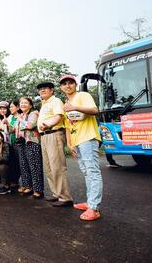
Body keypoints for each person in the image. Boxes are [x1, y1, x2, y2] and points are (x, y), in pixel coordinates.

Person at [60, 74, 103, 221]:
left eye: (70, 83)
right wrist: (69, 143)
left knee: (92, 171)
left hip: (88, 138)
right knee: (86, 172)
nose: (67, 85)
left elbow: (94, 110)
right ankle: (90, 202)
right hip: (77, 141)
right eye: (64, 84)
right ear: (61, 87)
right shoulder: (65, 103)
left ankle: (94, 208)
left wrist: (75, 106)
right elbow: (67, 125)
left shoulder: (83, 95)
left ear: (75, 84)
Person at [37, 81, 73, 207]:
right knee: (48, 167)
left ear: (52, 90)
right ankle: (56, 193)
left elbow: (59, 116)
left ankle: (65, 197)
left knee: (57, 166)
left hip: (54, 133)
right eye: (40, 89)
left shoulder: (55, 101)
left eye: (45, 88)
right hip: (44, 136)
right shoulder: (44, 103)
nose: (42, 90)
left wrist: (49, 124)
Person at [15, 97, 44, 199]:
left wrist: (20, 120)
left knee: (34, 165)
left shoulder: (33, 113)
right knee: (24, 165)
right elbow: (15, 129)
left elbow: (30, 125)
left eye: (25, 103)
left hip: (32, 141)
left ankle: (38, 189)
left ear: (30, 105)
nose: (23, 104)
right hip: (21, 142)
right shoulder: (21, 115)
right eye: (21, 103)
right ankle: (28, 186)